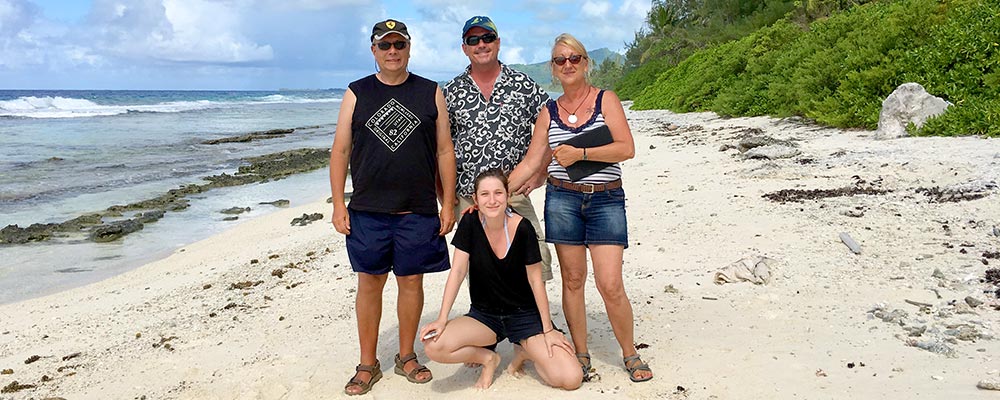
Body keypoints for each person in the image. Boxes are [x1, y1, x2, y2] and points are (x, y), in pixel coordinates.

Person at [508, 33, 653, 383]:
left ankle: (629, 352)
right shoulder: (548, 112)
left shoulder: (607, 100)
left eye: (574, 58)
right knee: (573, 280)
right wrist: (492, 194)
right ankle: (582, 351)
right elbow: (530, 163)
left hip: (605, 198)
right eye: (560, 60)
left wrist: (581, 154)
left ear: (586, 63)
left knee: (610, 283)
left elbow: (626, 148)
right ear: (553, 69)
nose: (568, 65)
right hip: (562, 199)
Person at [329, 18, 457, 396]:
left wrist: (446, 203)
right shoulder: (357, 92)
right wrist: (339, 204)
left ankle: (406, 356)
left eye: (399, 45)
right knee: (369, 284)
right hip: (367, 209)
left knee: (411, 282)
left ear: (409, 48)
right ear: (373, 50)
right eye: (385, 46)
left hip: (416, 209)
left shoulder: (430, 92)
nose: (392, 52)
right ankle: (367, 363)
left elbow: (445, 150)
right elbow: (340, 151)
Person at [419, 169, 583, 390]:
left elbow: (536, 282)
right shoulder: (469, 221)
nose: (492, 200)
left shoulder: (523, 227)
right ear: (476, 199)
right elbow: (457, 272)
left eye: (498, 193)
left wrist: (548, 329)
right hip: (485, 317)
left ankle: (524, 351)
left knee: (569, 379)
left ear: (507, 195)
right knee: (433, 346)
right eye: (485, 194)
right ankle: (489, 359)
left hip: (525, 316)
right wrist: (441, 319)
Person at [443, 15, 554, 281]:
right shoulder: (450, 91)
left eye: (488, 38)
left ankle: (533, 318)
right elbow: (441, 149)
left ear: (498, 42)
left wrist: (541, 172)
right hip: (469, 198)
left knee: (533, 258)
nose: (481, 44)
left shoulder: (523, 85)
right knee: (481, 268)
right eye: (474, 40)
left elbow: (553, 124)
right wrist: (445, 197)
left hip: (514, 191)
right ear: (464, 48)